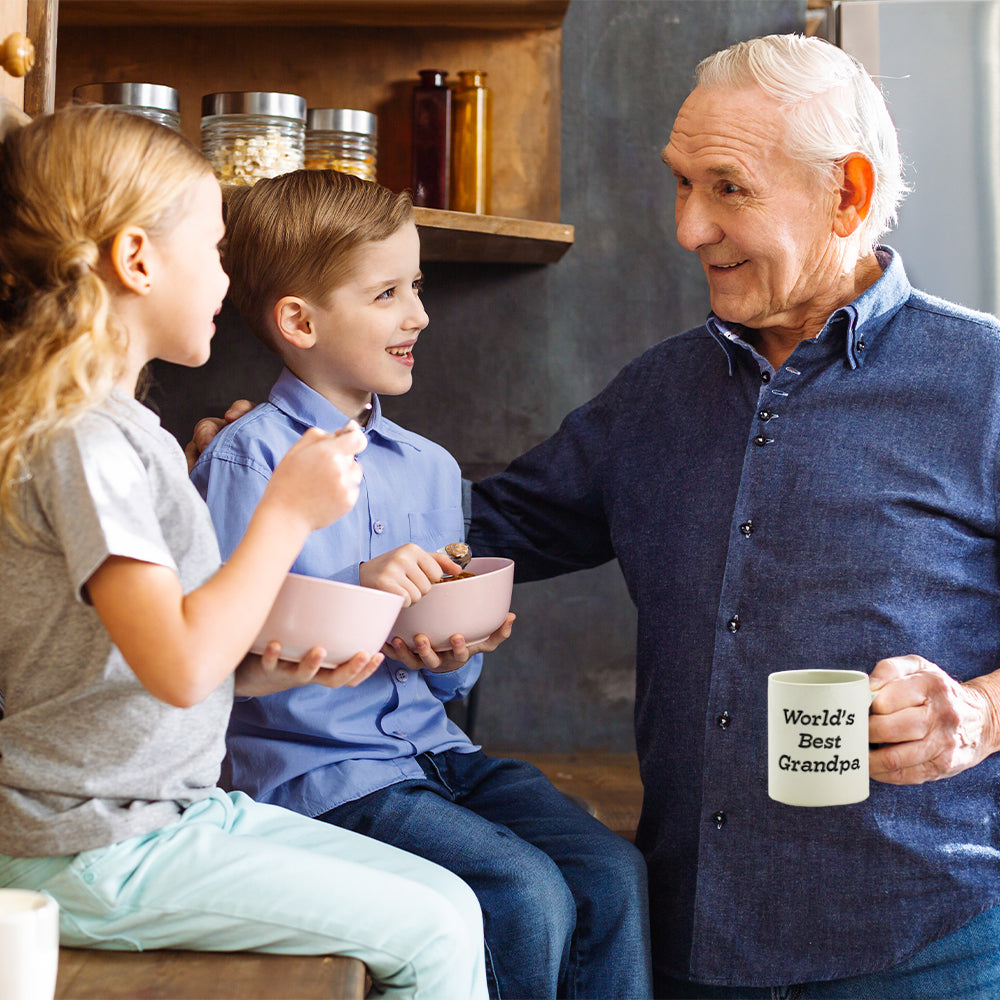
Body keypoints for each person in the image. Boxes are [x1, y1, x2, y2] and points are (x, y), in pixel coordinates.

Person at [194, 31, 1000, 998]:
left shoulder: (984, 381)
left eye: (727, 187)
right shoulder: (657, 395)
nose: (688, 226)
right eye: (680, 183)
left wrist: (981, 711)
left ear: (849, 194)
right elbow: (463, 536)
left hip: (925, 942)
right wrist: (275, 468)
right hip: (687, 933)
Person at [0, 103, 487, 1000]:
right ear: (137, 260)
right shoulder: (84, 442)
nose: (229, 279)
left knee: (455, 906)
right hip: (89, 844)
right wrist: (284, 518)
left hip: (162, 813)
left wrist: (274, 671)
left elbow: (161, 667)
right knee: (432, 930)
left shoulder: (123, 433)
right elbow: (180, 669)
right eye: (216, 250)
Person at [189, 168, 653, 1000]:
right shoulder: (246, 458)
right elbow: (219, 661)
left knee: (612, 872)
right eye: (387, 294)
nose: (419, 315)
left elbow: (450, 682)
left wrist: (450, 653)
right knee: (524, 891)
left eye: (419, 287)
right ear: (299, 320)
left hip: (435, 753)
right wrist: (361, 590)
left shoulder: (433, 470)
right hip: (315, 777)